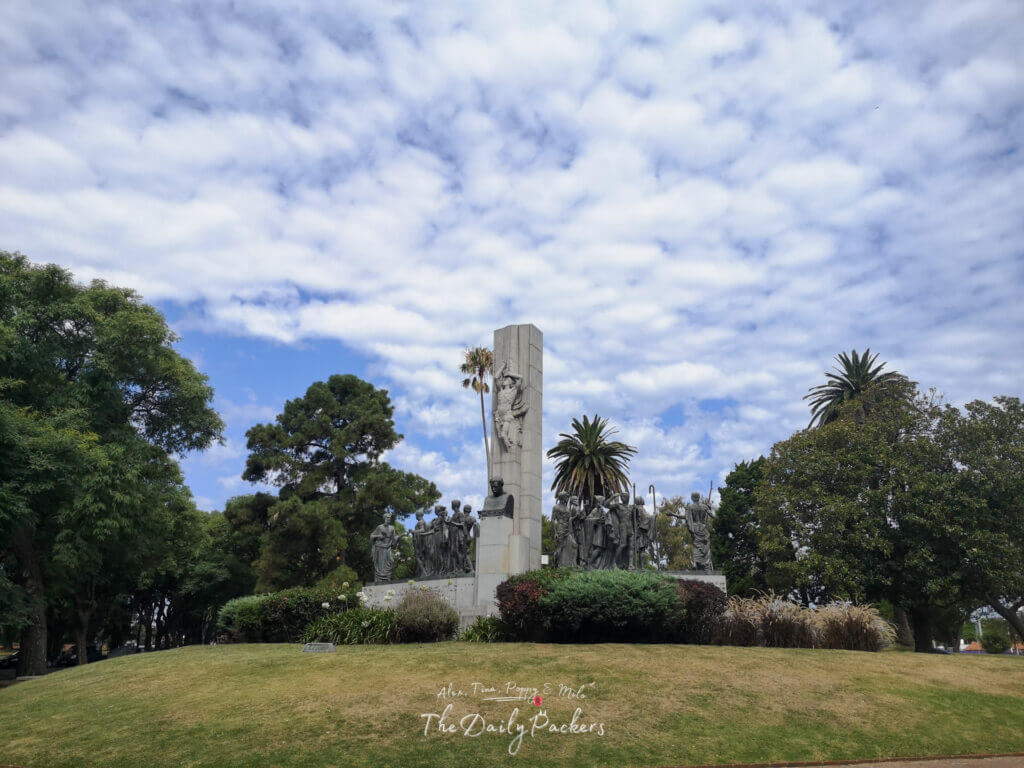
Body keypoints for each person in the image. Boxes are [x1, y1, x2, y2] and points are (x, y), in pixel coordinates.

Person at [370, 511, 400, 582]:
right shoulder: (380, 527)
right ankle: (380, 579)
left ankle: (387, 578)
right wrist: (378, 536)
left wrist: (397, 539)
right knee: (380, 566)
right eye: (387, 518)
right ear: (384, 518)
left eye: (390, 518)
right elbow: (372, 536)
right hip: (380, 547)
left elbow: (393, 539)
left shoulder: (392, 528)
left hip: (388, 548)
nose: (389, 519)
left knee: (391, 561)